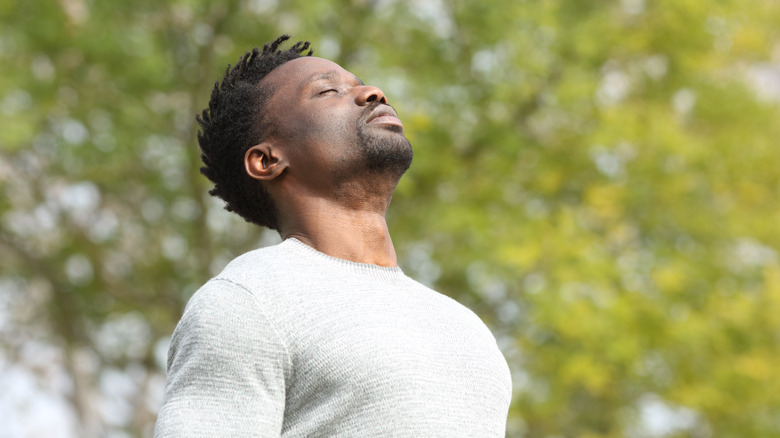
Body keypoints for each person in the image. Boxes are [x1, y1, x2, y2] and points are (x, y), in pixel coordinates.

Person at [154, 35, 512, 437]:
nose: (372, 93)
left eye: (362, 84)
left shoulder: (463, 326)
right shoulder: (248, 301)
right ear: (268, 159)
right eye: (328, 91)